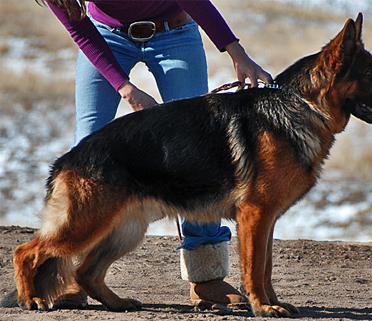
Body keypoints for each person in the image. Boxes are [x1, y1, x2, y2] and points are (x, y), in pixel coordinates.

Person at [37, 0, 272, 309]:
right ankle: (71, 276)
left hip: (174, 32)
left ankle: (206, 277)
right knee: (88, 144)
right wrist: (125, 88)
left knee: (197, 149)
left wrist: (236, 53)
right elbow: (80, 29)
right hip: (106, 36)